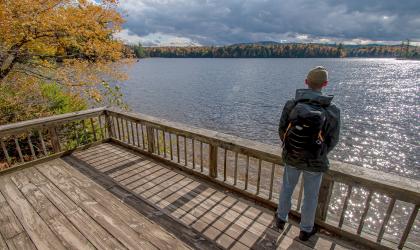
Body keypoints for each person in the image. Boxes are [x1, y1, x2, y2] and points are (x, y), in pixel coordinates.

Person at [276, 66, 340, 241]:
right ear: (325, 83)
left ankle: (280, 219)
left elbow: (282, 130)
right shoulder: (332, 110)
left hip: (291, 157)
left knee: (287, 189)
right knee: (311, 196)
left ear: (306, 82)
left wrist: (291, 148)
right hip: (315, 161)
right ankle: (305, 230)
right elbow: (333, 139)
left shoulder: (292, 104)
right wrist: (318, 152)